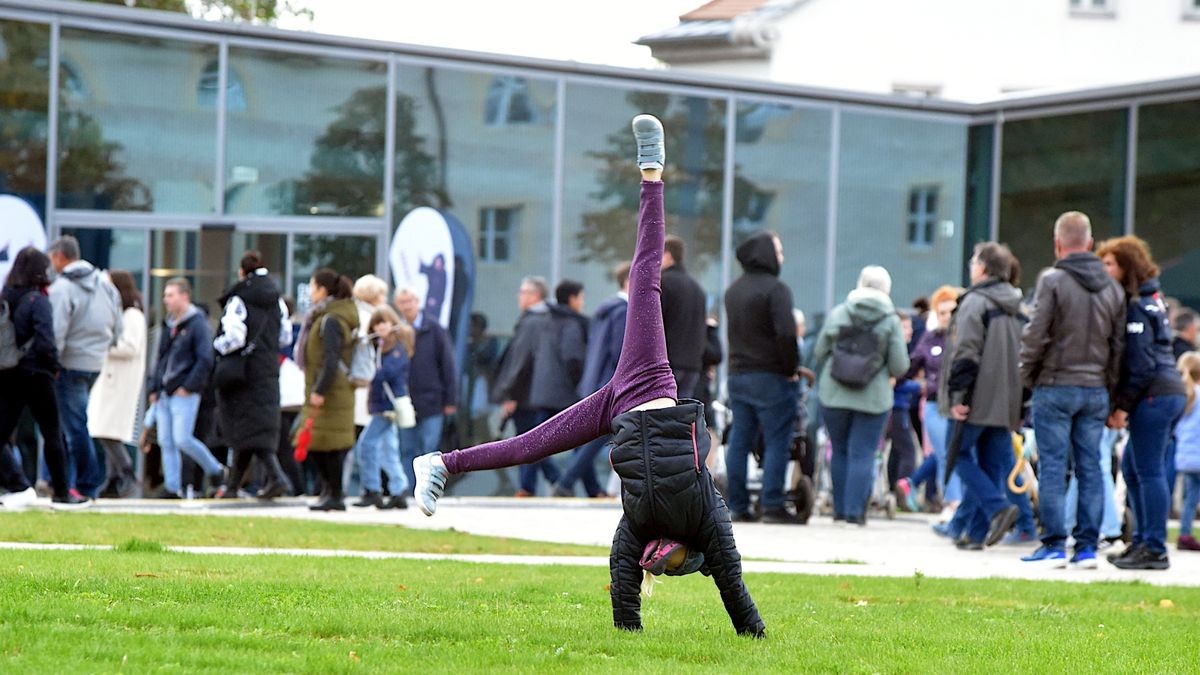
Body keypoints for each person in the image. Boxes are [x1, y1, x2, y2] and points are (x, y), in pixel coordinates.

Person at [412, 115, 765, 637]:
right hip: (645, 387)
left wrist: (736, 627)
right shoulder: (676, 522)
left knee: (534, 442)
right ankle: (651, 174)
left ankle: (440, 461)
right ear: (676, 555)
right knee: (644, 282)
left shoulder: (654, 524)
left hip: (630, 404)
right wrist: (749, 633)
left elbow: (702, 583)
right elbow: (720, 584)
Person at [1019, 211, 1125, 568]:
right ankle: (1086, 548)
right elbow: (1118, 346)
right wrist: (1110, 391)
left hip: (1055, 383)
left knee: (1052, 467)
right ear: (1091, 244)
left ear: (1058, 244)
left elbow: (1035, 335)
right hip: (1095, 388)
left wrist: (1027, 376)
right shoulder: (1113, 287)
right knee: (1091, 467)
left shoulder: (1053, 280)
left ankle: (1052, 544)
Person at [1097, 236, 1187, 570]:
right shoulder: (1151, 299)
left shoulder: (1138, 306)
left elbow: (1142, 365)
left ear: (1126, 267)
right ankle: (1141, 542)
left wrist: (1121, 406)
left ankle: (1155, 548)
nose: (1104, 269)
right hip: (1165, 393)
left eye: (1109, 264)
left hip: (1155, 395)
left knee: (1148, 471)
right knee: (1134, 470)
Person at [937, 243, 1024, 549]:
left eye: (974, 261)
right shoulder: (1016, 305)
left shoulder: (976, 302)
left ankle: (997, 507)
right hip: (1005, 399)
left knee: (956, 454)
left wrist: (958, 395)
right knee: (990, 464)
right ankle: (975, 534)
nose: (971, 266)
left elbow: (966, 352)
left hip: (975, 397)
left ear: (984, 268)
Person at [813, 265, 910, 525]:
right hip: (873, 398)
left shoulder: (840, 313)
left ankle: (840, 511)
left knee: (840, 449)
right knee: (864, 453)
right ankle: (855, 514)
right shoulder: (890, 320)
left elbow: (820, 351)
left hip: (834, 394)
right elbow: (900, 365)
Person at [723, 230, 800, 523]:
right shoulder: (776, 289)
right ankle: (772, 504)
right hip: (771, 377)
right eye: (778, 251)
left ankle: (737, 505)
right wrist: (791, 368)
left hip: (738, 376)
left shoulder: (734, 290)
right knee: (777, 439)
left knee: (740, 440)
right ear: (766, 254)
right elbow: (786, 334)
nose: (781, 257)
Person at [0, 247, 84, 507]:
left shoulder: (7, 297)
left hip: (8, 372)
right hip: (37, 373)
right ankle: (61, 491)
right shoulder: (38, 300)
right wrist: (54, 366)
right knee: (52, 433)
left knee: (2, 432)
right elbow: (46, 340)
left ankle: (11, 484)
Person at [490, 277, 587, 496]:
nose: (519, 296)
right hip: (537, 391)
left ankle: (532, 486)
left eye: (523, 292)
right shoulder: (546, 319)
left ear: (535, 295)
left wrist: (511, 393)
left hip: (528, 394)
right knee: (536, 441)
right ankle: (556, 481)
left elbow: (521, 361)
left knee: (531, 441)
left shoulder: (534, 321)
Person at [47, 235, 123, 500]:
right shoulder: (106, 286)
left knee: (74, 427)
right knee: (74, 424)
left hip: (68, 364)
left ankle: (86, 484)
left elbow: (56, 330)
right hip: (94, 363)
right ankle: (68, 484)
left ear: (59, 256)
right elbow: (118, 328)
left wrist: (52, 362)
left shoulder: (63, 288)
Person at [213, 252, 292, 500]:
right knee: (254, 428)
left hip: (243, 374)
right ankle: (233, 486)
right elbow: (285, 337)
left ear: (241, 272)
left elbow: (235, 337)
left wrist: (218, 346)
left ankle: (277, 478)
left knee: (244, 426)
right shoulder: (277, 301)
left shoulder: (239, 299)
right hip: (268, 370)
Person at [555, 263, 630, 497]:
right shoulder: (623, 311)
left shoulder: (605, 310)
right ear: (629, 281)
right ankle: (566, 482)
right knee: (600, 436)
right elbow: (621, 351)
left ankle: (584, 486)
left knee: (595, 436)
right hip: (611, 383)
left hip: (596, 381)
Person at [149, 278, 227, 499]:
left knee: (182, 438)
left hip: (183, 392)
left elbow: (205, 359)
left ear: (185, 296)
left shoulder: (197, 324)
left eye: (171, 295)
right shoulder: (170, 325)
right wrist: (154, 387)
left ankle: (216, 470)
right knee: (166, 440)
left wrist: (189, 385)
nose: (166, 300)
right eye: (165, 295)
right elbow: (161, 359)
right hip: (165, 392)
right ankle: (172, 486)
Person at [296, 269, 360, 511]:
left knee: (328, 446)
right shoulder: (325, 316)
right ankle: (329, 492)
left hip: (331, 392)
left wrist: (320, 390)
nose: (311, 292)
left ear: (322, 290)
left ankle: (335, 494)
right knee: (318, 444)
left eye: (312, 287)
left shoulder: (331, 320)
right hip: (326, 390)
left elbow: (331, 359)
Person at [897, 285, 962, 514]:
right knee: (944, 454)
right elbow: (910, 366)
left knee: (958, 454)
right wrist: (893, 377)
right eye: (942, 312)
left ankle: (954, 502)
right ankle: (953, 503)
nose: (946, 317)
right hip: (934, 404)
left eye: (951, 312)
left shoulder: (966, 338)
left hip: (959, 405)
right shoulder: (929, 338)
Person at [86, 270, 146, 498]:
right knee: (105, 428)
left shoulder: (132, 315)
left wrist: (104, 344)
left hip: (119, 381)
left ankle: (126, 472)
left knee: (107, 430)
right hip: (111, 379)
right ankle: (113, 479)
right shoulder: (122, 313)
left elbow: (129, 347)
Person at [394, 287, 456, 493]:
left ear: (418, 302)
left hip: (432, 399)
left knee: (429, 450)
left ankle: (428, 490)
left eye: (409, 301)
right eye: (402, 302)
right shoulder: (396, 331)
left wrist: (450, 399)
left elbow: (447, 364)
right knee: (406, 449)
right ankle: (407, 489)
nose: (406, 306)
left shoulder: (434, 329)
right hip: (404, 400)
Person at [353, 307, 413, 510]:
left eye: (384, 323)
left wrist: (372, 369)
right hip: (379, 405)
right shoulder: (377, 348)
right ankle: (399, 490)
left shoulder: (397, 349)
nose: (380, 327)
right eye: (377, 324)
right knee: (389, 451)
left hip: (389, 407)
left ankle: (372, 489)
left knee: (366, 445)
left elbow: (387, 373)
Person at [661, 235, 707, 396]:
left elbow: (656, 325)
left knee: (662, 416)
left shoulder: (662, 283)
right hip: (692, 365)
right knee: (682, 415)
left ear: (667, 255)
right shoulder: (697, 289)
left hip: (668, 364)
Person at [886, 311, 922, 511]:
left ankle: (893, 489)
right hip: (896, 407)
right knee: (908, 451)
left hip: (898, 406)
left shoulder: (905, 349)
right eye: (905, 327)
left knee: (896, 451)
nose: (909, 331)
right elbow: (895, 382)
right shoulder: (896, 352)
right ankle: (903, 495)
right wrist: (918, 386)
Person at [1174, 352, 1200, 552]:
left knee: (1190, 498)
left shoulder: (1183, 396)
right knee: (1192, 496)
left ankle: (1184, 533)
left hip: (1184, 455)